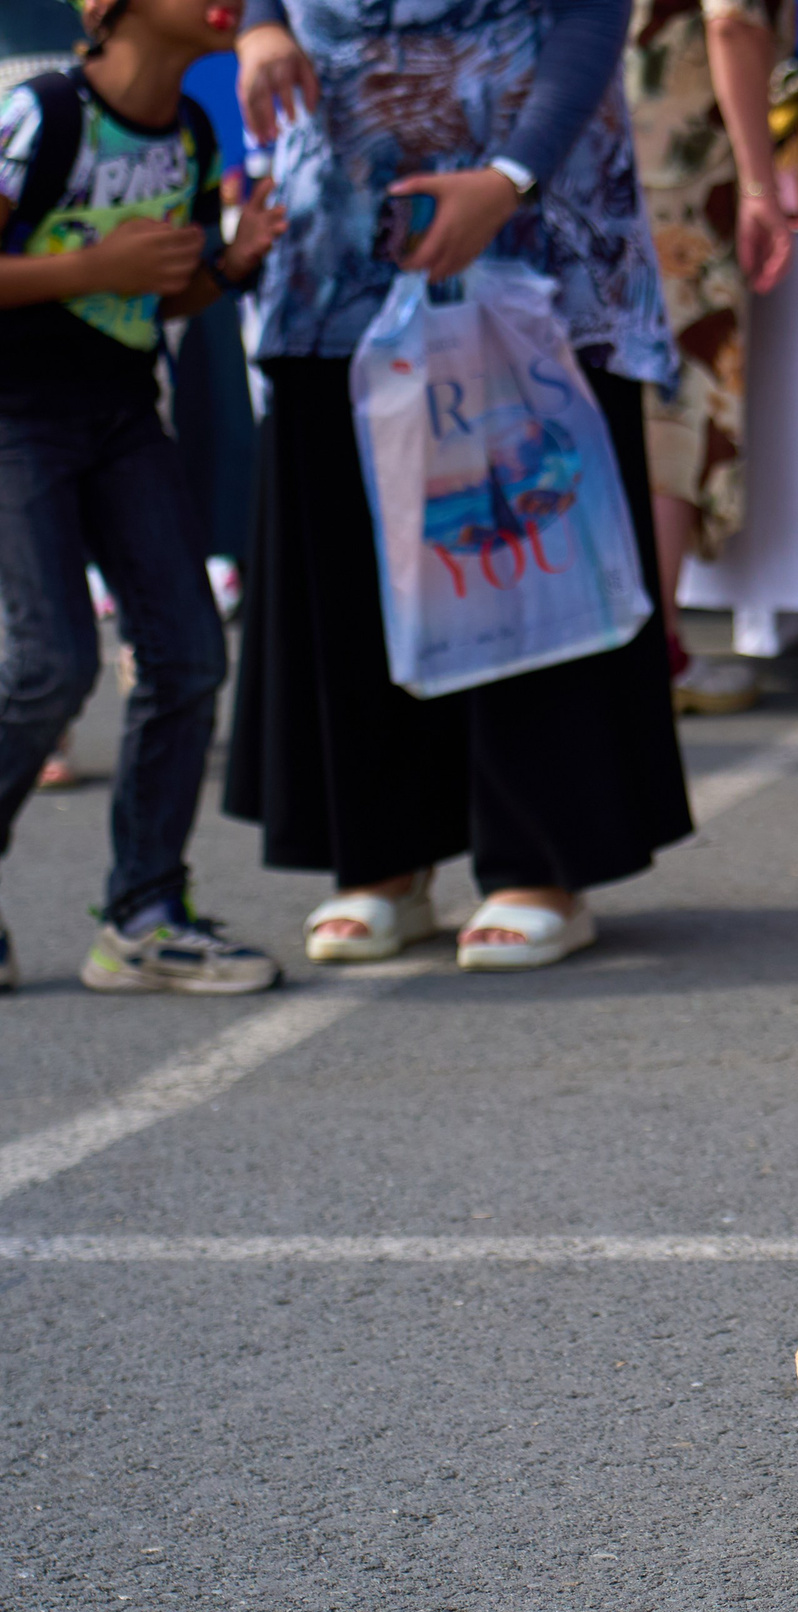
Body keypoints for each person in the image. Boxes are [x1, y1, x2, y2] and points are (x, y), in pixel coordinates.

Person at [223, 0, 694, 971]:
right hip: (338, 225)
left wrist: (509, 179)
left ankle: (538, 865)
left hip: (530, 221)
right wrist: (260, 26)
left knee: (520, 532)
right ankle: (381, 861)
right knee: (348, 539)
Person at [0, 0, 287, 995]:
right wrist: (90, 267)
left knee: (189, 654)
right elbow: (100, 273)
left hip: (125, 413)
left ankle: (146, 914)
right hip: (16, 417)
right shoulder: (42, 114)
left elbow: (164, 295)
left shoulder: (194, 134)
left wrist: (232, 263)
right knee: (51, 666)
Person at [626, 0, 794, 716]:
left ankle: (633, 638)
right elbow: (732, 22)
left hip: (603, 150)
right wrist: (759, 184)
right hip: (678, 170)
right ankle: (655, 643)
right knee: (676, 395)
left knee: (632, 385)